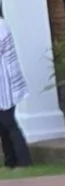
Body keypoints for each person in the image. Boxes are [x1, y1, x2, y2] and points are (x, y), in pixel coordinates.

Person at [0, 10, 30, 169]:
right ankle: (10, 160)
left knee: (8, 122)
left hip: (5, 82)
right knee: (3, 126)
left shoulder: (1, 26)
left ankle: (24, 160)